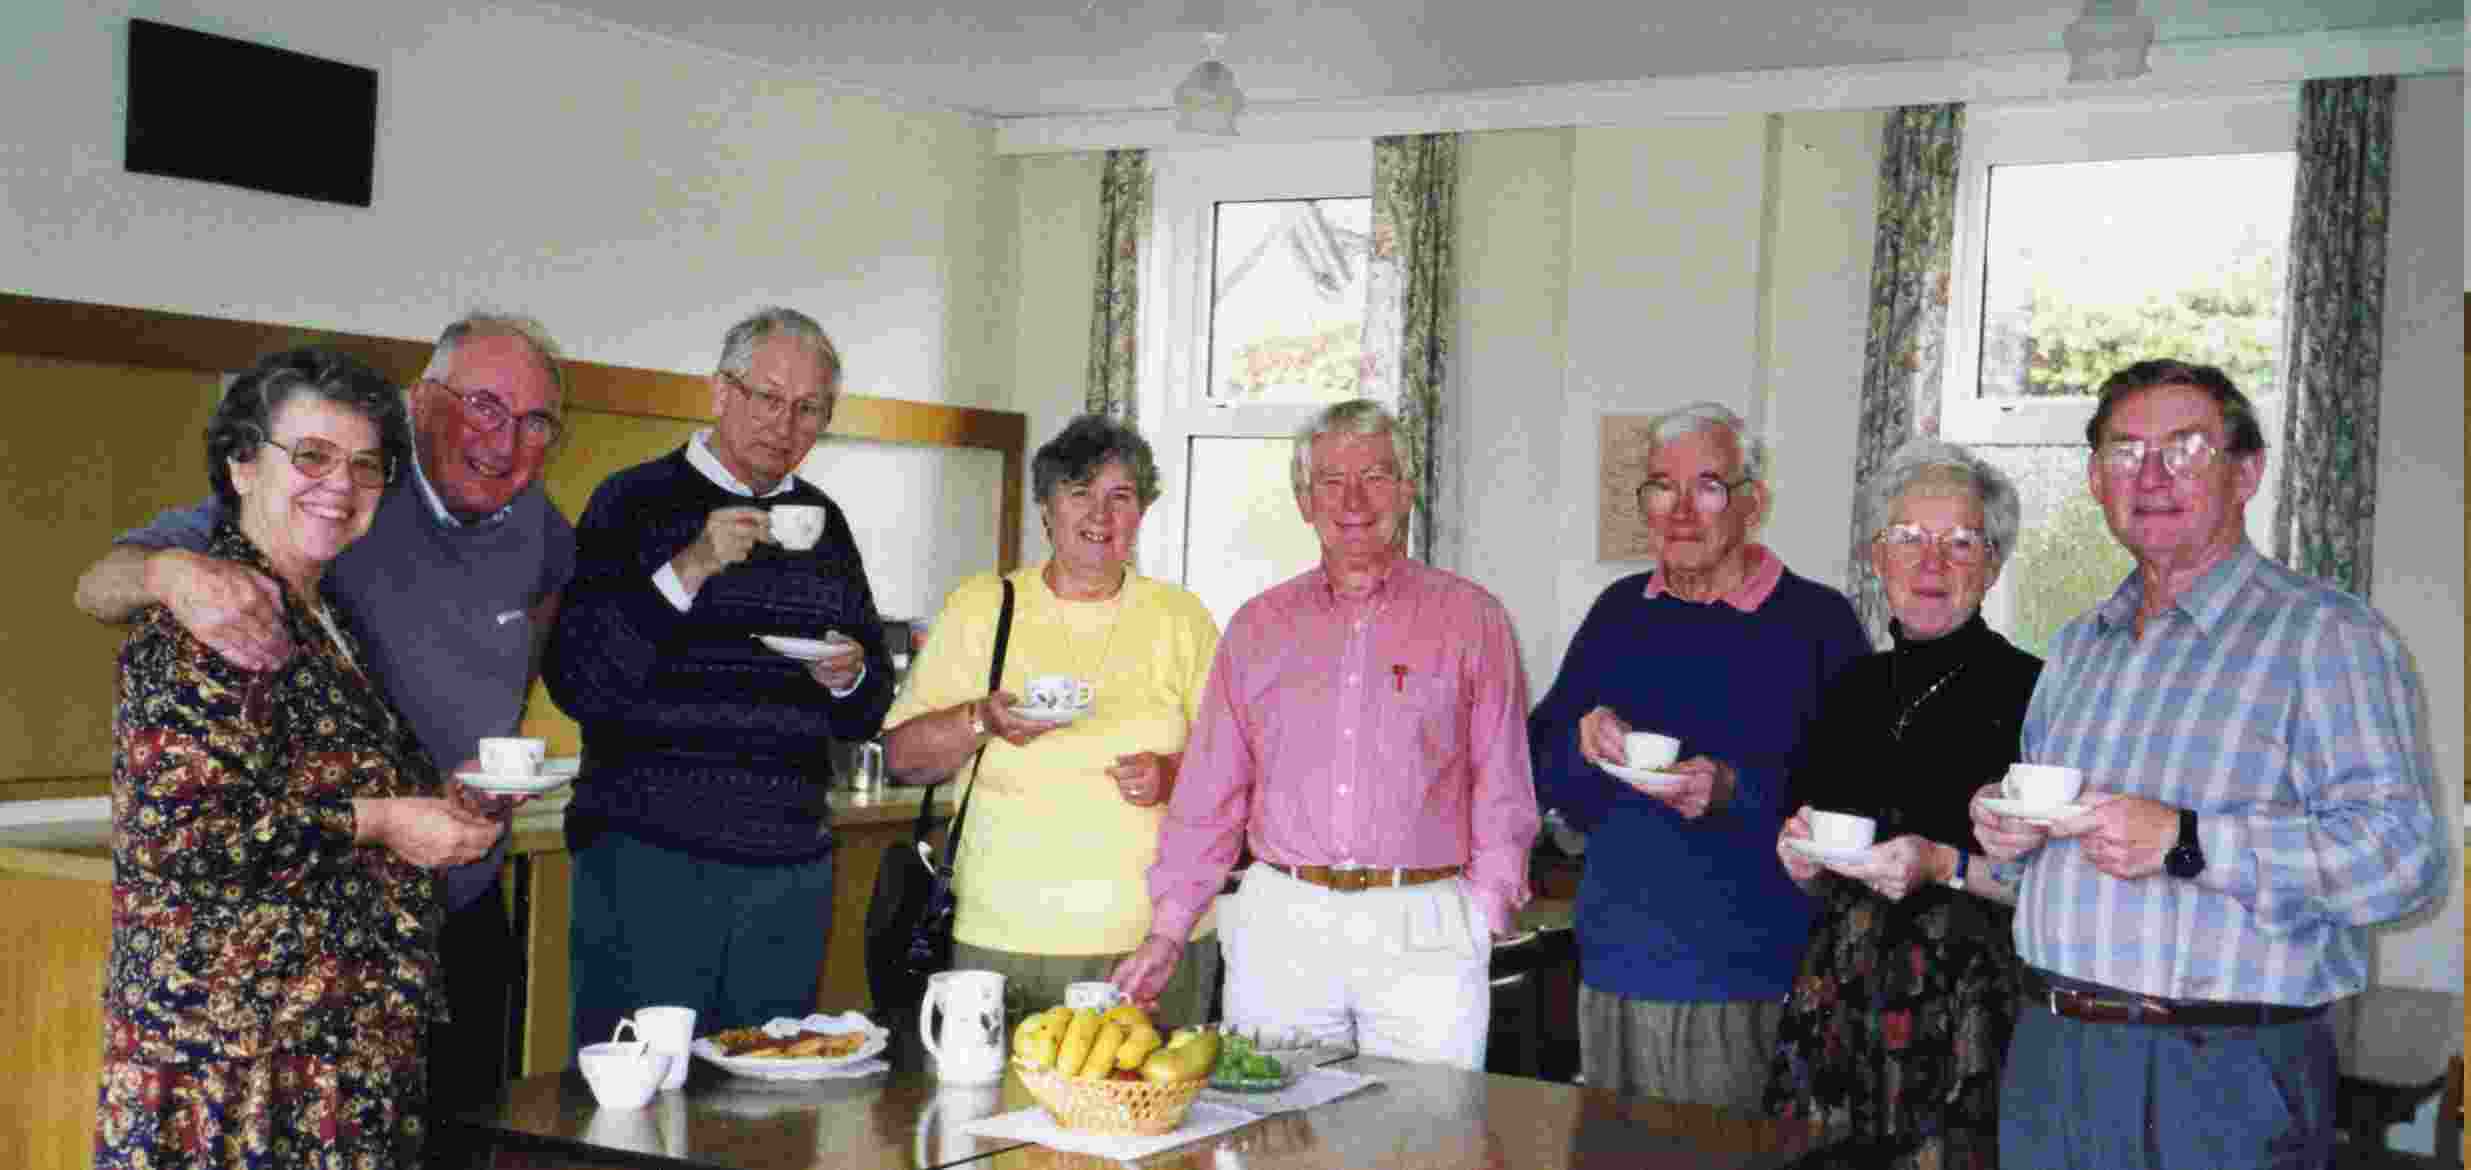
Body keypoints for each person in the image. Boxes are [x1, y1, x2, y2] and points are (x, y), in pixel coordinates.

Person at [73, 313, 576, 1139]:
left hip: (360, 1012)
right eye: (310, 458)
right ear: (242, 464)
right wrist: (166, 573)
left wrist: (447, 795)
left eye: (362, 467)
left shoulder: (331, 609)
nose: (338, 485)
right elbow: (181, 841)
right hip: (234, 1059)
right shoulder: (214, 605)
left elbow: (334, 767)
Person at [1970, 360, 2444, 1170]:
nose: (2150, 475)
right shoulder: (2079, 645)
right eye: (2124, 452)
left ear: (2246, 472)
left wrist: (2189, 842)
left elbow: (2404, 863)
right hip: (2052, 1057)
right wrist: (2009, 834)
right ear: (2093, 477)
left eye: (2185, 449)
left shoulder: (2328, 637)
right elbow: (2058, 859)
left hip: (2219, 1070)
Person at [1111, 399, 1539, 1070]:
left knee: (1425, 1140)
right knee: (1280, 1136)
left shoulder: (1471, 619)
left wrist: (1484, 915)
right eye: (1330, 482)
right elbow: (1210, 790)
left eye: (1374, 477)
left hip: (1423, 921)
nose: (1353, 500)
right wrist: (1168, 930)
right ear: (1303, 500)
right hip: (1284, 920)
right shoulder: (1257, 627)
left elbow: (1502, 778)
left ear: (1406, 489)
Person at [546, 307, 894, 1049]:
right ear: (720, 392)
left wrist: (848, 675)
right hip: (647, 857)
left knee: (765, 1112)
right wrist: (691, 567)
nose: (785, 424)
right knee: (633, 1100)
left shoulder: (823, 524)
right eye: (768, 398)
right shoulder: (630, 501)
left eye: (810, 409)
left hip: (786, 864)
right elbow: (579, 680)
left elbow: (865, 711)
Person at [1527, 401, 1867, 1107]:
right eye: (1661, 486)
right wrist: (1581, 742)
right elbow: (1537, 767)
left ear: (1753, 502)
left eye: (1707, 486)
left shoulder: (1815, 623)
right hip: (1612, 962)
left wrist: (1732, 792)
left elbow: (1856, 801)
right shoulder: (1619, 611)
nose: (1680, 510)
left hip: (1743, 977)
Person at [882, 415, 1223, 1025]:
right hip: (1003, 944)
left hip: (1151, 946)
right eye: (1079, 493)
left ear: (1142, 512)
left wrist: (1171, 775)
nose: (1101, 514)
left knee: (1149, 1114)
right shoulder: (983, 607)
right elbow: (904, 758)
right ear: (1046, 508)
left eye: (1121, 497)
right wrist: (980, 720)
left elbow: (1233, 772)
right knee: (994, 1115)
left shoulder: (1181, 618)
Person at [1763, 438, 2042, 1168]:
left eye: (1958, 542)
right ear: (1874, 556)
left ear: (1992, 564)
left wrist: (1942, 864)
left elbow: (2055, 887)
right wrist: (1799, 858)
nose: (1930, 563)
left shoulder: (2037, 694)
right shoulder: (1849, 687)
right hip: (1841, 999)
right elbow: (1817, 846)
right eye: (1908, 539)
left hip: (1967, 1009)